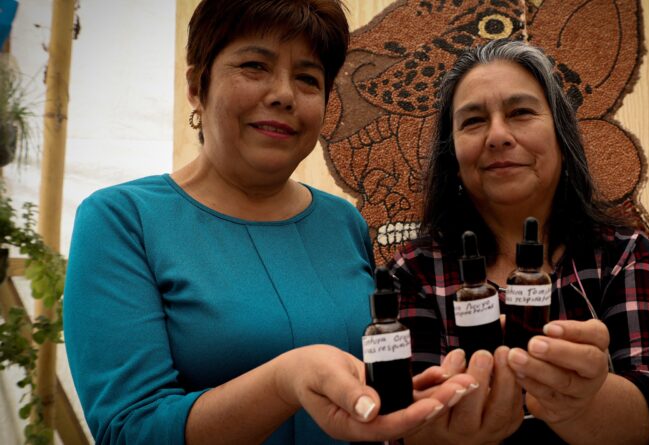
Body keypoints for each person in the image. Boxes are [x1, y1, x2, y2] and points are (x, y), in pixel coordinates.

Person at [62, 1, 476, 444]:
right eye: (255, 66)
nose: (284, 94)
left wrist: (416, 409)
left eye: (307, 78)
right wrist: (284, 381)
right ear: (197, 86)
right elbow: (128, 430)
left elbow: (360, 396)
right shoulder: (122, 221)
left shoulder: (341, 222)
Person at [388, 39, 649, 444]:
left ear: (562, 137)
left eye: (521, 112)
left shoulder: (622, 254)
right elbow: (401, 423)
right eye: (473, 121)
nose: (498, 135)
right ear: (453, 156)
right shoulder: (414, 271)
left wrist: (581, 400)